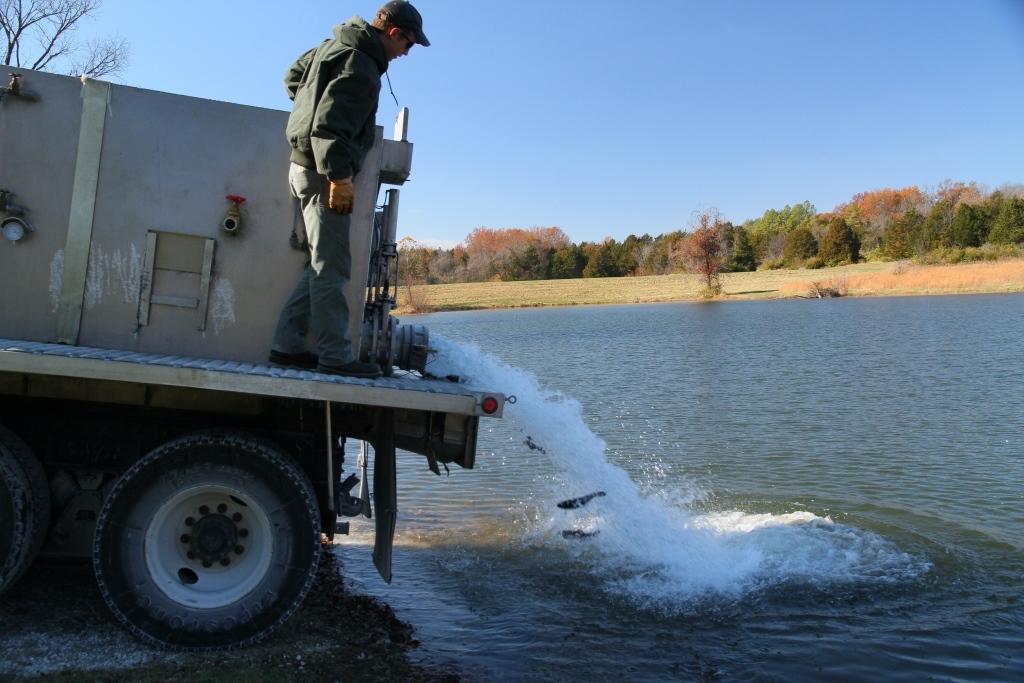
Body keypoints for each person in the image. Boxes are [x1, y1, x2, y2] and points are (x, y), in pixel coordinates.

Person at [268, 1, 429, 378]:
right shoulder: (362, 66)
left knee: (321, 263)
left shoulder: (332, 45)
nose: (407, 53)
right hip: (325, 175)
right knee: (332, 269)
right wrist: (339, 178)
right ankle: (335, 356)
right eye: (408, 44)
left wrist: (309, 107)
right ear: (393, 33)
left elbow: (293, 77)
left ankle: (287, 345)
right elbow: (328, 129)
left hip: (304, 168)